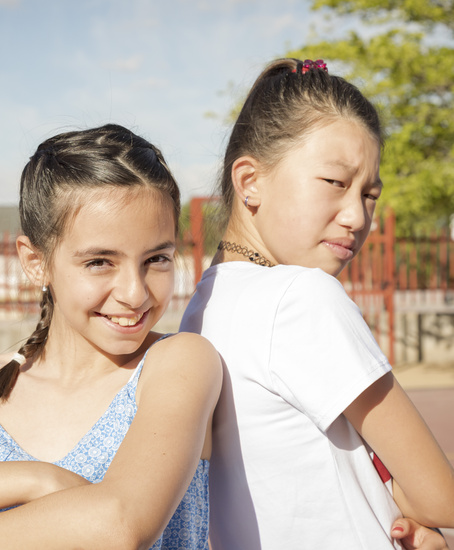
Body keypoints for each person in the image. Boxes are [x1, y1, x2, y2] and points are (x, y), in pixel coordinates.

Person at [0, 124, 222, 548]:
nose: (134, 293)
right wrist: (34, 479)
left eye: (157, 258)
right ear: (35, 262)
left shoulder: (178, 363)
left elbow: (120, 526)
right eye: (99, 262)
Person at [180, 58, 454, 549]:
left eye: (370, 194)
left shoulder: (204, 306)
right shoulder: (300, 296)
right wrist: (402, 493)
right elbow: (439, 497)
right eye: (335, 182)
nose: (356, 216)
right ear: (249, 181)